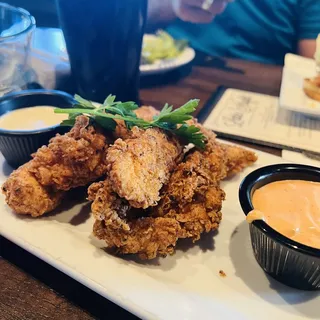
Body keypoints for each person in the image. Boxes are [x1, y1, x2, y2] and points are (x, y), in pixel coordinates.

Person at [147, 0, 320, 65]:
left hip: (260, 91)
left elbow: (311, 65)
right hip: (165, 72)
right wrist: (171, 4)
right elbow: (134, 15)